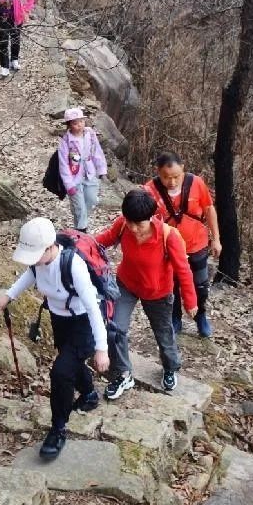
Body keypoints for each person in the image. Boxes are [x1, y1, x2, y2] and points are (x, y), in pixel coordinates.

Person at [0, 217, 110, 460]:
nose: (32, 260)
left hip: (82, 324)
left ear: (50, 247)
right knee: (71, 363)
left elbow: (92, 307)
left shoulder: (73, 266)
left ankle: (58, 428)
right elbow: (30, 275)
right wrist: (9, 295)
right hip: (60, 320)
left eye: (35, 254)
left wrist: (102, 349)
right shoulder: (39, 262)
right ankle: (89, 395)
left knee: (60, 372)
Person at [94, 187, 197, 395]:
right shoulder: (123, 225)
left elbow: (183, 270)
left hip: (158, 293)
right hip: (127, 285)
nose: (132, 228)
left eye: (137, 223)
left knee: (164, 333)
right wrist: (79, 244)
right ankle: (123, 374)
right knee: (115, 328)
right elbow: (102, 241)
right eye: (129, 221)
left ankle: (170, 368)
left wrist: (190, 301)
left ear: (150, 217)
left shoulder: (169, 237)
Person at [144, 151, 222, 338]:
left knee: (200, 285)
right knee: (172, 285)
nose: (171, 182)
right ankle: (175, 318)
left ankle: (200, 316)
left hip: (197, 243)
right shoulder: (150, 190)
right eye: (166, 177)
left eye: (176, 177)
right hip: (167, 248)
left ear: (183, 170)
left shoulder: (196, 183)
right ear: (158, 173)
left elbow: (209, 209)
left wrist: (216, 239)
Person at [58, 107, 108, 232]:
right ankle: (81, 231)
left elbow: (97, 151)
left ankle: (79, 223)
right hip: (74, 177)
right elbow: (63, 164)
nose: (79, 125)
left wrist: (101, 169)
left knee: (91, 200)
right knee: (79, 206)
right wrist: (69, 184)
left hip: (90, 173)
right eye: (75, 123)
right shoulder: (66, 141)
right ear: (69, 125)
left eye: (81, 121)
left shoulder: (89, 134)